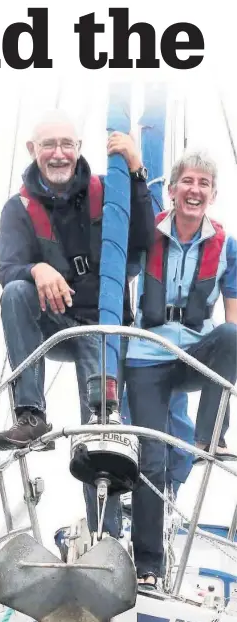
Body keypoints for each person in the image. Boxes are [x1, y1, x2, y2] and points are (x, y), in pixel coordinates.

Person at [0, 110, 155, 538]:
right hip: (53, 320)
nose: (59, 153)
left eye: (67, 144)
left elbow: (144, 241)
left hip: (101, 324)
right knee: (16, 291)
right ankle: (31, 414)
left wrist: (137, 172)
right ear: (33, 151)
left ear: (79, 148)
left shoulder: (110, 190)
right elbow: (8, 268)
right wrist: (36, 270)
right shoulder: (19, 208)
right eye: (49, 145)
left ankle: (107, 536)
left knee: (101, 431)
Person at [125, 150, 237, 589]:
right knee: (151, 462)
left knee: (231, 336)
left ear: (212, 194)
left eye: (203, 184)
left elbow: (231, 311)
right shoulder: (145, 233)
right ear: (171, 191)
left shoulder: (226, 245)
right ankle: (148, 566)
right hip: (146, 357)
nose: (195, 190)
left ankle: (210, 434)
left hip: (193, 354)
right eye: (187, 181)